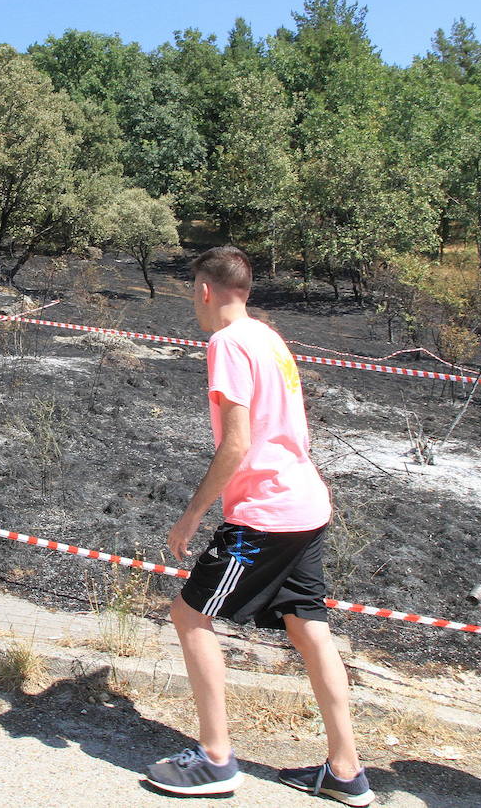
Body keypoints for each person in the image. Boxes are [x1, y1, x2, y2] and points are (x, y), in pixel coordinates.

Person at [142, 246, 372, 805]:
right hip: (307, 506)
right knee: (308, 629)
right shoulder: (268, 335)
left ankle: (216, 758)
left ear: (203, 290)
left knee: (190, 615)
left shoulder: (226, 342)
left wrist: (193, 514)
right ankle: (347, 772)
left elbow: (238, 442)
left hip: (265, 516)